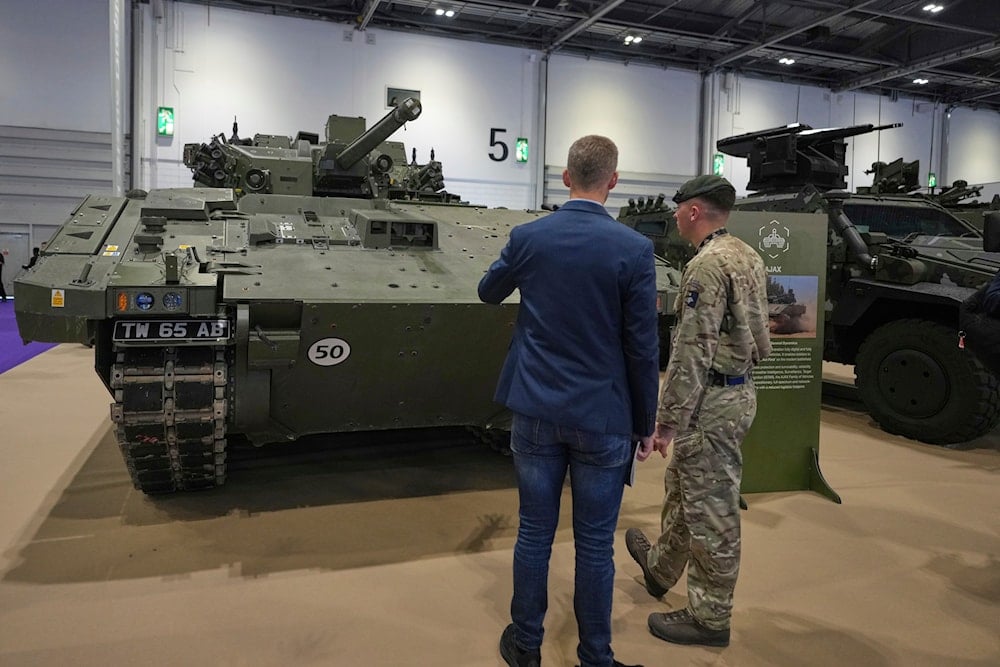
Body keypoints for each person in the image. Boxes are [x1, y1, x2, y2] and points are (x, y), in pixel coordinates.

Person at [479, 134, 659, 667]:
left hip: (535, 408)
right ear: (614, 181)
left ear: (564, 178)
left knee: (533, 531)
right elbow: (643, 346)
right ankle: (595, 657)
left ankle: (526, 645)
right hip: (603, 416)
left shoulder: (530, 237)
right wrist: (645, 423)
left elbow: (489, 291)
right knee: (596, 543)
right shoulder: (634, 249)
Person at [625, 175, 771, 648]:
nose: (672, 215)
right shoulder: (746, 254)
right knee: (687, 489)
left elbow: (693, 349)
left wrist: (667, 419)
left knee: (712, 511)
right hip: (738, 391)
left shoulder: (706, 266)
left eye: (678, 207)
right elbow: (760, 334)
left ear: (693, 211)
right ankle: (660, 568)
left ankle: (710, 618)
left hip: (709, 400)